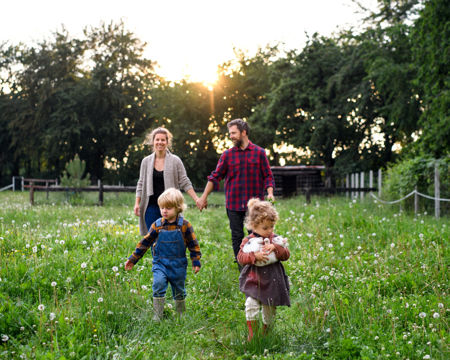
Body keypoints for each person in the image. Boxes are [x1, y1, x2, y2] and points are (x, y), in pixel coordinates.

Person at [197, 119, 275, 269]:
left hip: (255, 206)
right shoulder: (227, 155)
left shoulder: (259, 153)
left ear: (243, 132)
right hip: (233, 204)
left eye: (233, 133)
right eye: (230, 133)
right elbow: (215, 177)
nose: (231, 136)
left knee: (258, 236)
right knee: (237, 237)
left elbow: (268, 176)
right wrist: (203, 197)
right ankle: (243, 269)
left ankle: (260, 266)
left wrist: (270, 193)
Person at [125, 188, 201, 321]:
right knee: (158, 284)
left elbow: (193, 245)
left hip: (178, 265)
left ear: (178, 208)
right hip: (160, 263)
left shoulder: (185, 226)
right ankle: (157, 315)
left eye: (168, 208)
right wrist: (133, 259)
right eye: (162, 207)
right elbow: (145, 242)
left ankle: (180, 315)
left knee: (179, 290)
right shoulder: (157, 225)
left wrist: (196, 261)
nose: (164, 211)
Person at [236, 198, 290, 341]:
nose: (269, 231)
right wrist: (254, 256)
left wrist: (276, 248)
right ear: (253, 226)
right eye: (265, 228)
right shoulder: (248, 241)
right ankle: (252, 335)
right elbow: (240, 257)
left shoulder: (276, 239)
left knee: (269, 309)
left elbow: (286, 255)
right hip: (254, 279)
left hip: (272, 280)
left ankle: (267, 334)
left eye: (271, 227)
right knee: (251, 304)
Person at [134, 127, 202, 236]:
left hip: (170, 207)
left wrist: (196, 199)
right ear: (153, 142)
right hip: (151, 206)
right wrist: (137, 203)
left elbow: (185, 181)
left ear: (167, 142)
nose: (160, 142)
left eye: (162, 140)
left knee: (170, 237)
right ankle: (156, 254)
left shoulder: (175, 161)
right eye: (157, 139)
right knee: (153, 239)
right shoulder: (146, 162)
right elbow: (141, 183)